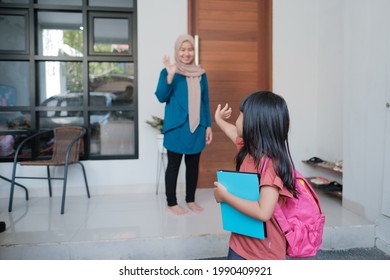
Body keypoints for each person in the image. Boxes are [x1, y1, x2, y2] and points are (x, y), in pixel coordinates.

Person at [213, 91, 297, 260]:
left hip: (263, 253)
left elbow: (263, 212)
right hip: (239, 243)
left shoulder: (271, 165)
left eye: (241, 115)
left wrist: (225, 196)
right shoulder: (249, 150)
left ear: (254, 125)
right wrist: (219, 120)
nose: (236, 120)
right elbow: (232, 130)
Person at [155, 34, 213, 216]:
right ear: (177, 51)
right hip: (176, 128)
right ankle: (171, 202)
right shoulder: (168, 72)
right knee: (173, 165)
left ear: (194, 51)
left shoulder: (201, 74)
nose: (186, 53)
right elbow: (161, 96)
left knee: (193, 166)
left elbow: (205, 101)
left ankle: (190, 200)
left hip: (196, 127)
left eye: (190, 49)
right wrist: (171, 76)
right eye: (182, 49)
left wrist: (208, 125)